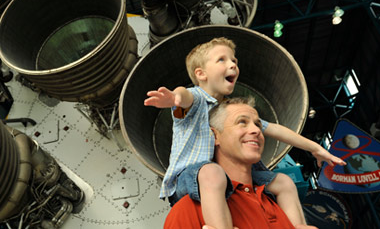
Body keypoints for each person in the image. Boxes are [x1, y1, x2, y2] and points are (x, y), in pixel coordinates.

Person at [144, 37, 345, 229]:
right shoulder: (195, 100)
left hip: (218, 177)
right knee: (212, 173)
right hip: (191, 177)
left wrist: (316, 148)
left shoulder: (226, 109)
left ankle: (297, 224)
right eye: (222, 59)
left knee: (284, 181)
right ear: (201, 74)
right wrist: (174, 98)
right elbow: (185, 95)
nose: (232, 65)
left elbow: (275, 129)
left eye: (234, 60)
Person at [164, 97, 317, 229]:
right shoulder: (189, 209)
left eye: (258, 124)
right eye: (242, 122)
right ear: (215, 136)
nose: (256, 130)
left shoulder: (279, 206)